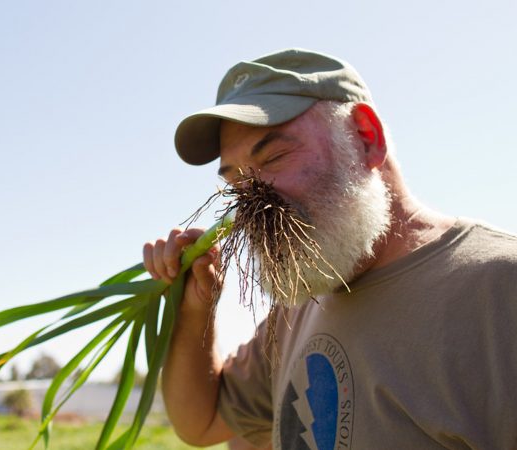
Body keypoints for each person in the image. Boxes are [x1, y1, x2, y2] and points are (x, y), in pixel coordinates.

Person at [142, 49, 517, 449]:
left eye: (274, 156)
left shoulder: (498, 292)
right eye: (235, 183)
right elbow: (201, 423)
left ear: (365, 138)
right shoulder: (302, 302)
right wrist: (196, 308)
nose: (249, 205)